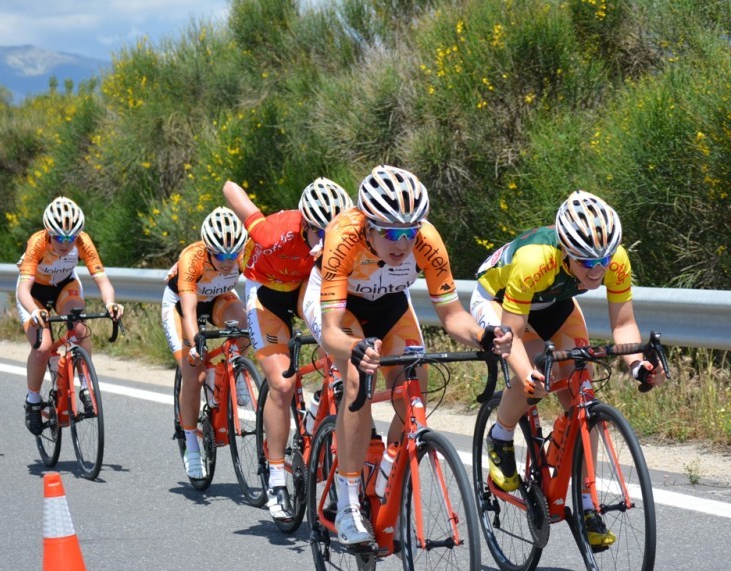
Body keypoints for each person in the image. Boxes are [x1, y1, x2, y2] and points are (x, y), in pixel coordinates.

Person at [318, 165, 512, 546]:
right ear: (368, 226)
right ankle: (346, 499)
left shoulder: (427, 240)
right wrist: (353, 348)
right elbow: (329, 331)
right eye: (391, 233)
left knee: (415, 383)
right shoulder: (343, 237)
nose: (402, 243)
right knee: (357, 379)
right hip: (344, 310)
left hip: (391, 305)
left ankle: (390, 465)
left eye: (409, 232)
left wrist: (483, 335)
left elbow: (453, 315)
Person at [469, 189, 667, 547]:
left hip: (556, 304)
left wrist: (638, 365)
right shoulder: (535, 261)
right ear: (566, 252)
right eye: (587, 263)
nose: (598, 269)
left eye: (604, 261)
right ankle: (500, 437)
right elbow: (511, 336)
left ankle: (588, 503)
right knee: (534, 378)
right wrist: (527, 372)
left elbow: (623, 325)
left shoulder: (613, 259)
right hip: (499, 303)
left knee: (580, 390)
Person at [223, 177, 352, 525]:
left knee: (342, 360)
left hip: (306, 288)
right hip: (266, 294)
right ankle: (277, 477)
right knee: (282, 385)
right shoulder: (275, 231)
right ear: (306, 225)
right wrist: (230, 183)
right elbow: (233, 192)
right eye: (321, 235)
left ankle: (318, 416)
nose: (328, 243)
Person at [16, 197, 123, 436]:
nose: (66, 244)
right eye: (59, 238)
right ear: (48, 233)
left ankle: (85, 386)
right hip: (34, 293)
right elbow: (24, 290)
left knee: (81, 330)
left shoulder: (83, 241)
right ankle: (33, 399)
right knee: (42, 348)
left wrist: (111, 303)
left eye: (71, 238)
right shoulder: (37, 243)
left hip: (65, 286)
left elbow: (102, 280)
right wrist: (34, 311)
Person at [162, 206, 249, 480]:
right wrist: (196, 340)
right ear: (209, 249)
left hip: (217, 299)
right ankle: (190, 445)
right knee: (194, 373)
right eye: (222, 255)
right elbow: (188, 310)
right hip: (180, 306)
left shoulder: (242, 254)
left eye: (234, 255)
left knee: (247, 328)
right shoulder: (193, 257)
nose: (228, 261)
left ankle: (233, 373)